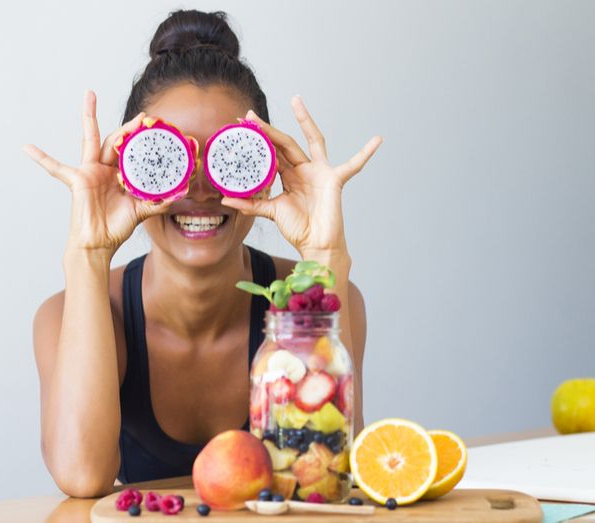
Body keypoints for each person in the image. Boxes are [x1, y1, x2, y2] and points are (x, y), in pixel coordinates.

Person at [23, 9, 382, 497]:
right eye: (164, 160)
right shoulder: (67, 315)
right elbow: (81, 476)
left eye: (230, 158)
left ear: (270, 167)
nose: (200, 189)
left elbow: (319, 473)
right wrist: (88, 253)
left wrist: (324, 255)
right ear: (127, 172)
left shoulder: (325, 298)